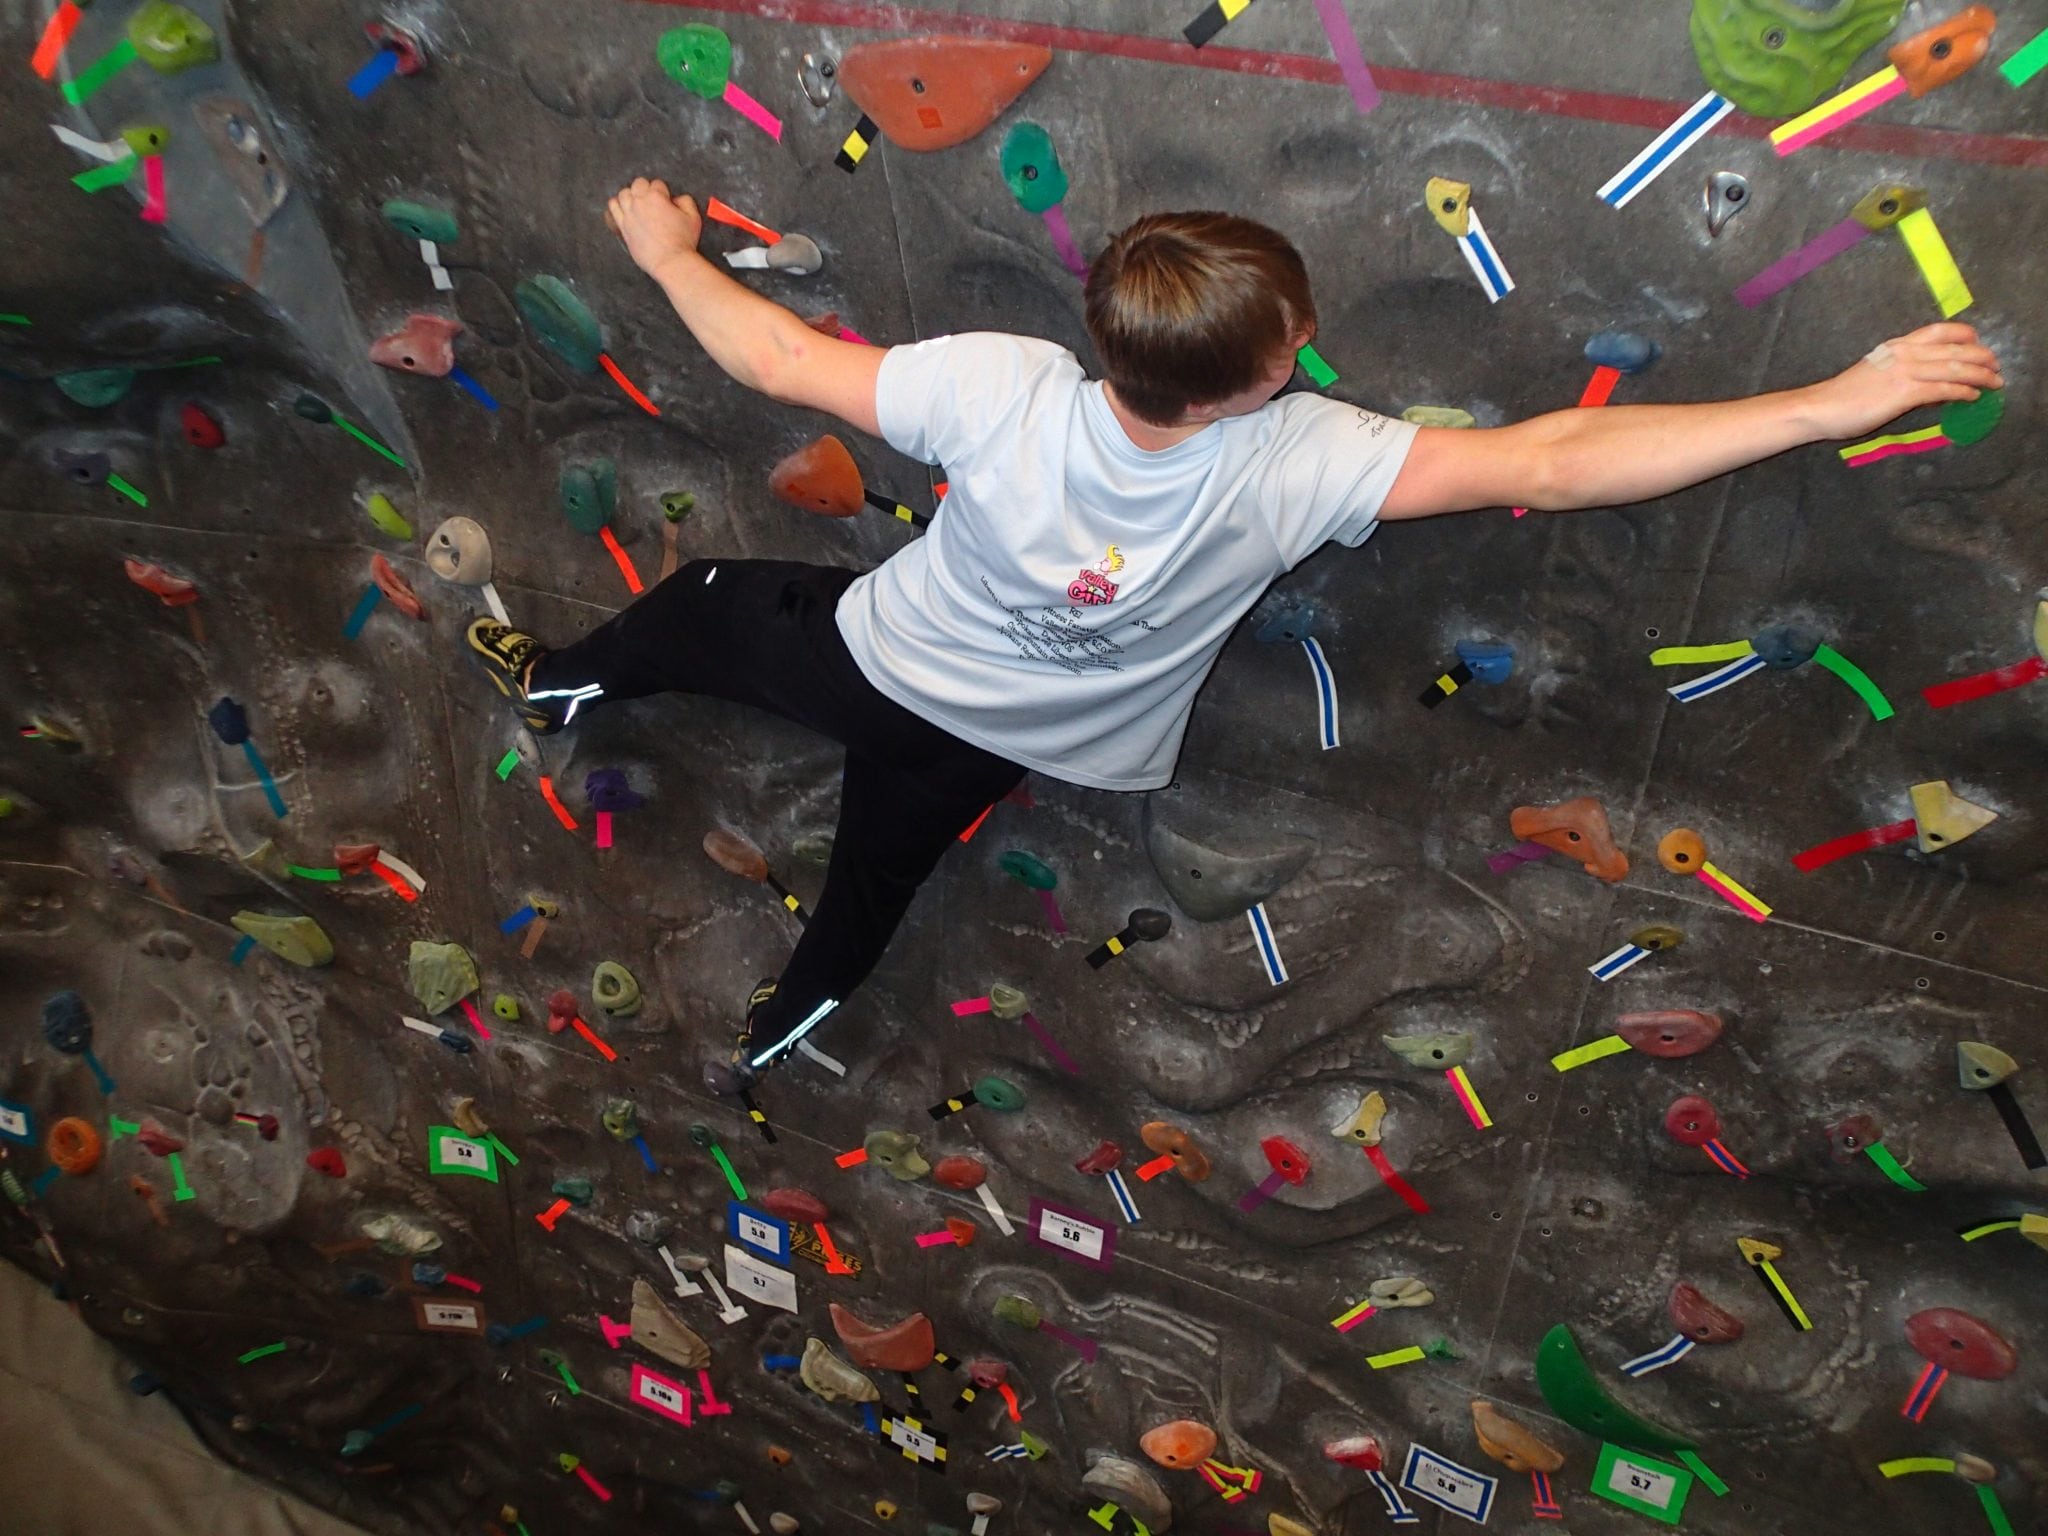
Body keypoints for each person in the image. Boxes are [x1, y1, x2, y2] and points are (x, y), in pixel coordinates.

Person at [468, 181, 2001, 1097]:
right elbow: (1548, 461)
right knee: (873, 883)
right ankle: (787, 1021)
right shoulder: (1301, 458)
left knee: (698, 605)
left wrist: (666, 251)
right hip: (1027, 740)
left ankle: (556, 682)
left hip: (868, 657)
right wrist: (1829, 400)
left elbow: (775, 354)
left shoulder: (999, 386)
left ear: (1104, 328)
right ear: (1271, 369)